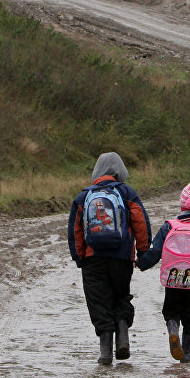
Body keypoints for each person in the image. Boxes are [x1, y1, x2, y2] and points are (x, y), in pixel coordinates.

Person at [68, 152, 151, 365]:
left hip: (93, 258)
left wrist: (80, 258)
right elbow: (140, 222)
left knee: (99, 302)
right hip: (121, 257)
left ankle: (105, 353)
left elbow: (75, 230)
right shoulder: (126, 192)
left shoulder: (84, 196)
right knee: (120, 296)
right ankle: (122, 334)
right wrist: (142, 252)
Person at [137, 182, 190, 363]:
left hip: (172, 278)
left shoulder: (168, 226)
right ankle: (185, 352)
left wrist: (141, 263)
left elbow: (155, 251)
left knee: (172, 309)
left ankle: (172, 329)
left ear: (181, 205)